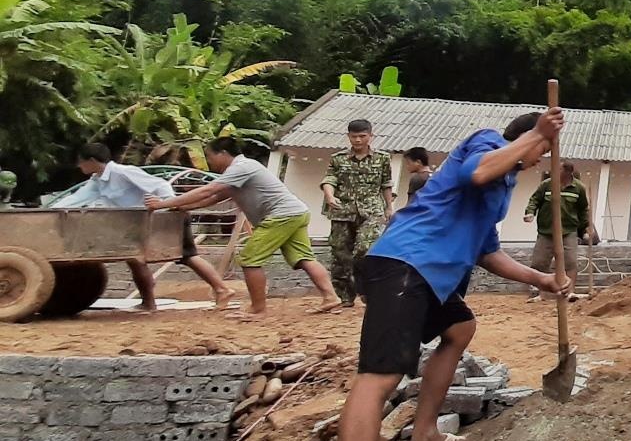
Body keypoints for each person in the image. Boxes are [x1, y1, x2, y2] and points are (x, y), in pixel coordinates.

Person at [328, 108, 572, 441]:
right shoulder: (487, 144)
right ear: (528, 140)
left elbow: (487, 252)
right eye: (542, 151)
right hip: (405, 264)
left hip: (430, 276)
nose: (539, 161)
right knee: (379, 378)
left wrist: (541, 279)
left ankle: (424, 435)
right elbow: (478, 172)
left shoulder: (504, 185)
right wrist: (537, 133)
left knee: (460, 328)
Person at [147, 138, 336, 316]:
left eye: (210, 156)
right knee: (303, 257)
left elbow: (208, 190)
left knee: (249, 259)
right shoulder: (240, 171)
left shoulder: (241, 167)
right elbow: (216, 197)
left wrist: (163, 203)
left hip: (282, 216)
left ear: (223, 153)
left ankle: (258, 309)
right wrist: (181, 206)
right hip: (296, 212)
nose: (209, 161)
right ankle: (331, 297)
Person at [54, 143, 234, 310]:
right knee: (135, 259)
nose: (79, 166)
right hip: (139, 223)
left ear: (92, 160)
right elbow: (76, 199)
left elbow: (160, 185)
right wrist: (50, 210)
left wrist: (170, 208)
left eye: (81, 161)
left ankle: (222, 290)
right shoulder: (97, 181)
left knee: (187, 256)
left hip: (167, 215)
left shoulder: (122, 172)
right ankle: (148, 303)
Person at [321, 118, 395, 308]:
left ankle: (368, 289)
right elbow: (329, 179)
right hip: (343, 210)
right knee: (340, 253)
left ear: (370, 136)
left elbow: (386, 184)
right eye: (354, 136)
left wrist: (389, 207)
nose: (358, 140)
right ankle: (343, 296)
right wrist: (329, 196)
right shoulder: (338, 158)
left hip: (372, 211)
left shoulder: (382, 158)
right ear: (348, 136)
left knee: (364, 249)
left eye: (362, 136)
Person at [522, 161, 597, 300]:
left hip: (568, 230)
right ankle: (541, 294)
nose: (555, 172)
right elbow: (535, 200)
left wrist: (586, 228)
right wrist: (530, 212)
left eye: (559, 170)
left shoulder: (578, 188)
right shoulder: (546, 185)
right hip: (546, 231)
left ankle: (570, 292)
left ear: (568, 172)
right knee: (539, 262)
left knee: (570, 262)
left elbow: (583, 211)